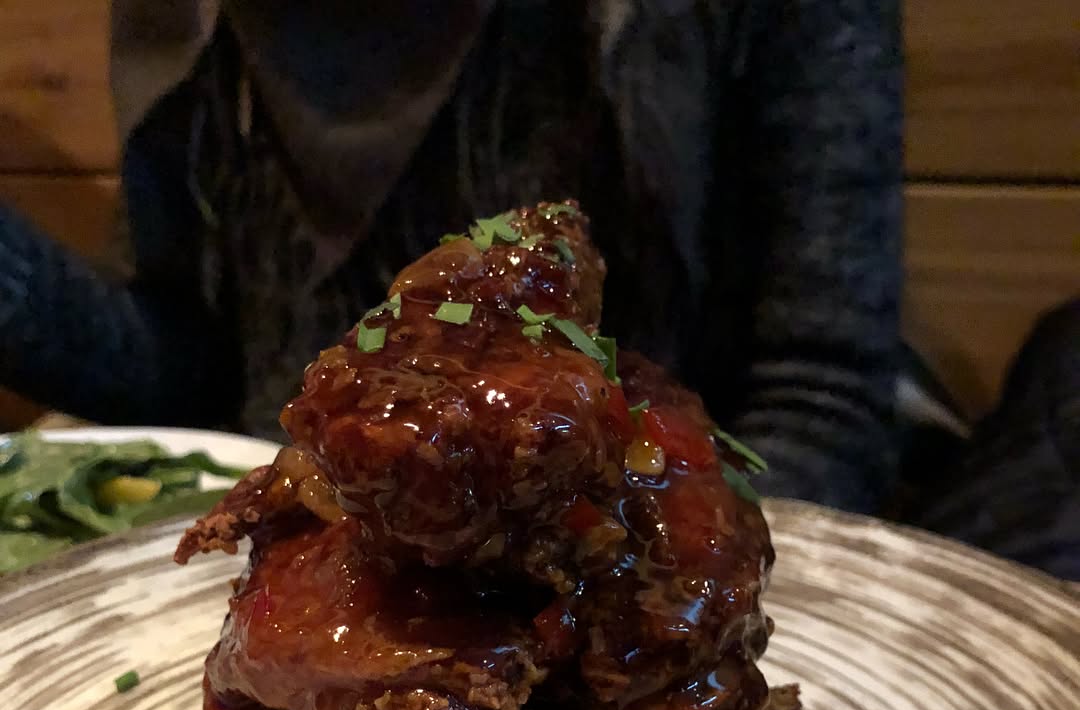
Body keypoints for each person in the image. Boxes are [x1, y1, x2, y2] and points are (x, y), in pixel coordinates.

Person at [1, 2, 1075, 577]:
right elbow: (188, 364)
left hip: (693, 542)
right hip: (304, 569)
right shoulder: (184, 23)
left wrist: (631, 600)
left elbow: (820, 393)